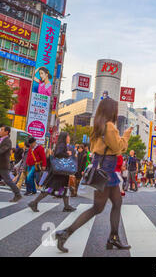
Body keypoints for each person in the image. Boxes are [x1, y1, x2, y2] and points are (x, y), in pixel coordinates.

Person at [54, 98, 133, 253]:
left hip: (102, 169)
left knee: (116, 203)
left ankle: (114, 237)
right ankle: (66, 232)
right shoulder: (109, 127)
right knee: (98, 207)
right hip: (107, 171)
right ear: (111, 111)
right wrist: (126, 135)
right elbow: (118, 148)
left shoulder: (97, 127)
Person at [28, 132, 76, 212]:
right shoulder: (62, 145)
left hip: (60, 172)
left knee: (64, 188)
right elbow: (58, 154)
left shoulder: (62, 145)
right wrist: (67, 154)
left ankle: (67, 206)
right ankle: (34, 202)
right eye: (68, 136)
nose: (69, 138)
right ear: (65, 137)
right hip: (59, 173)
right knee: (50, 188)